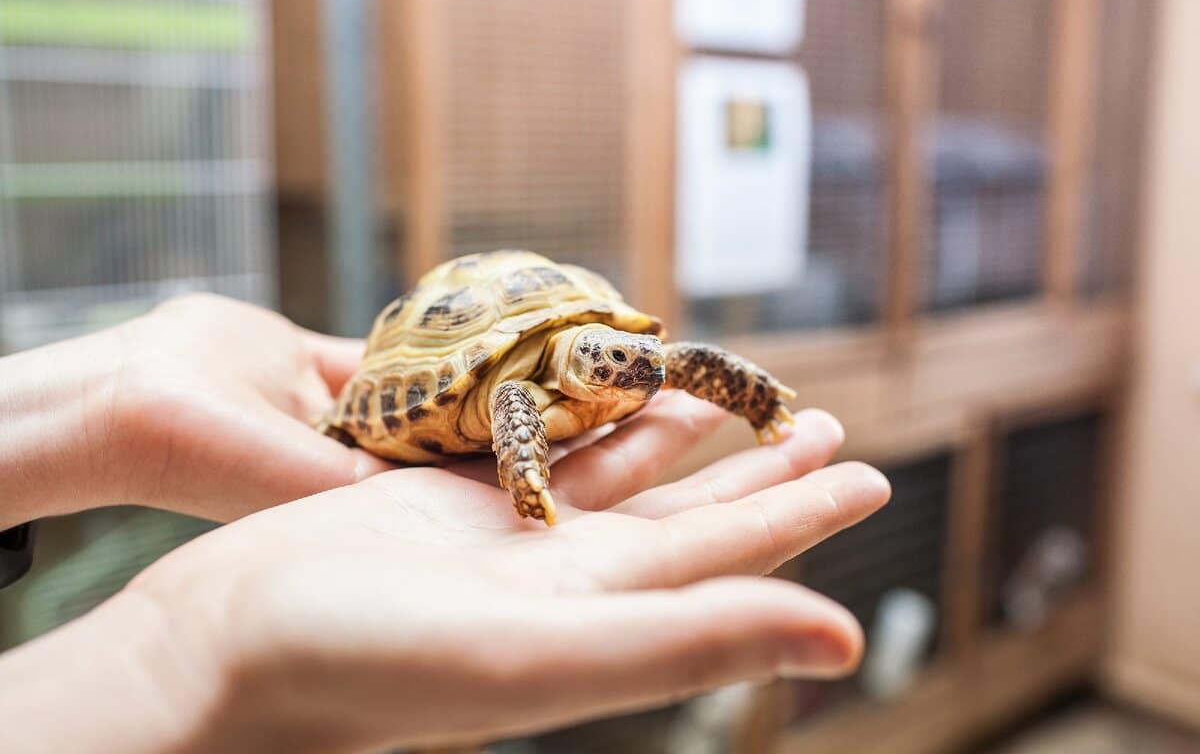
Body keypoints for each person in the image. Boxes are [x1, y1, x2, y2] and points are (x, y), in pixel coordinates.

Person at [0, 294, 890, 753]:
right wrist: (529, 485)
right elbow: (514, 395)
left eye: (637, 365)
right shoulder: (516, 385)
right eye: (612, 361)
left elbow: (671, 362)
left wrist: (755, 402)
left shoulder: (635, 363)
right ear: (572, 357)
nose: (631, 373)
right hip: (466, 382)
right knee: (516, 405)